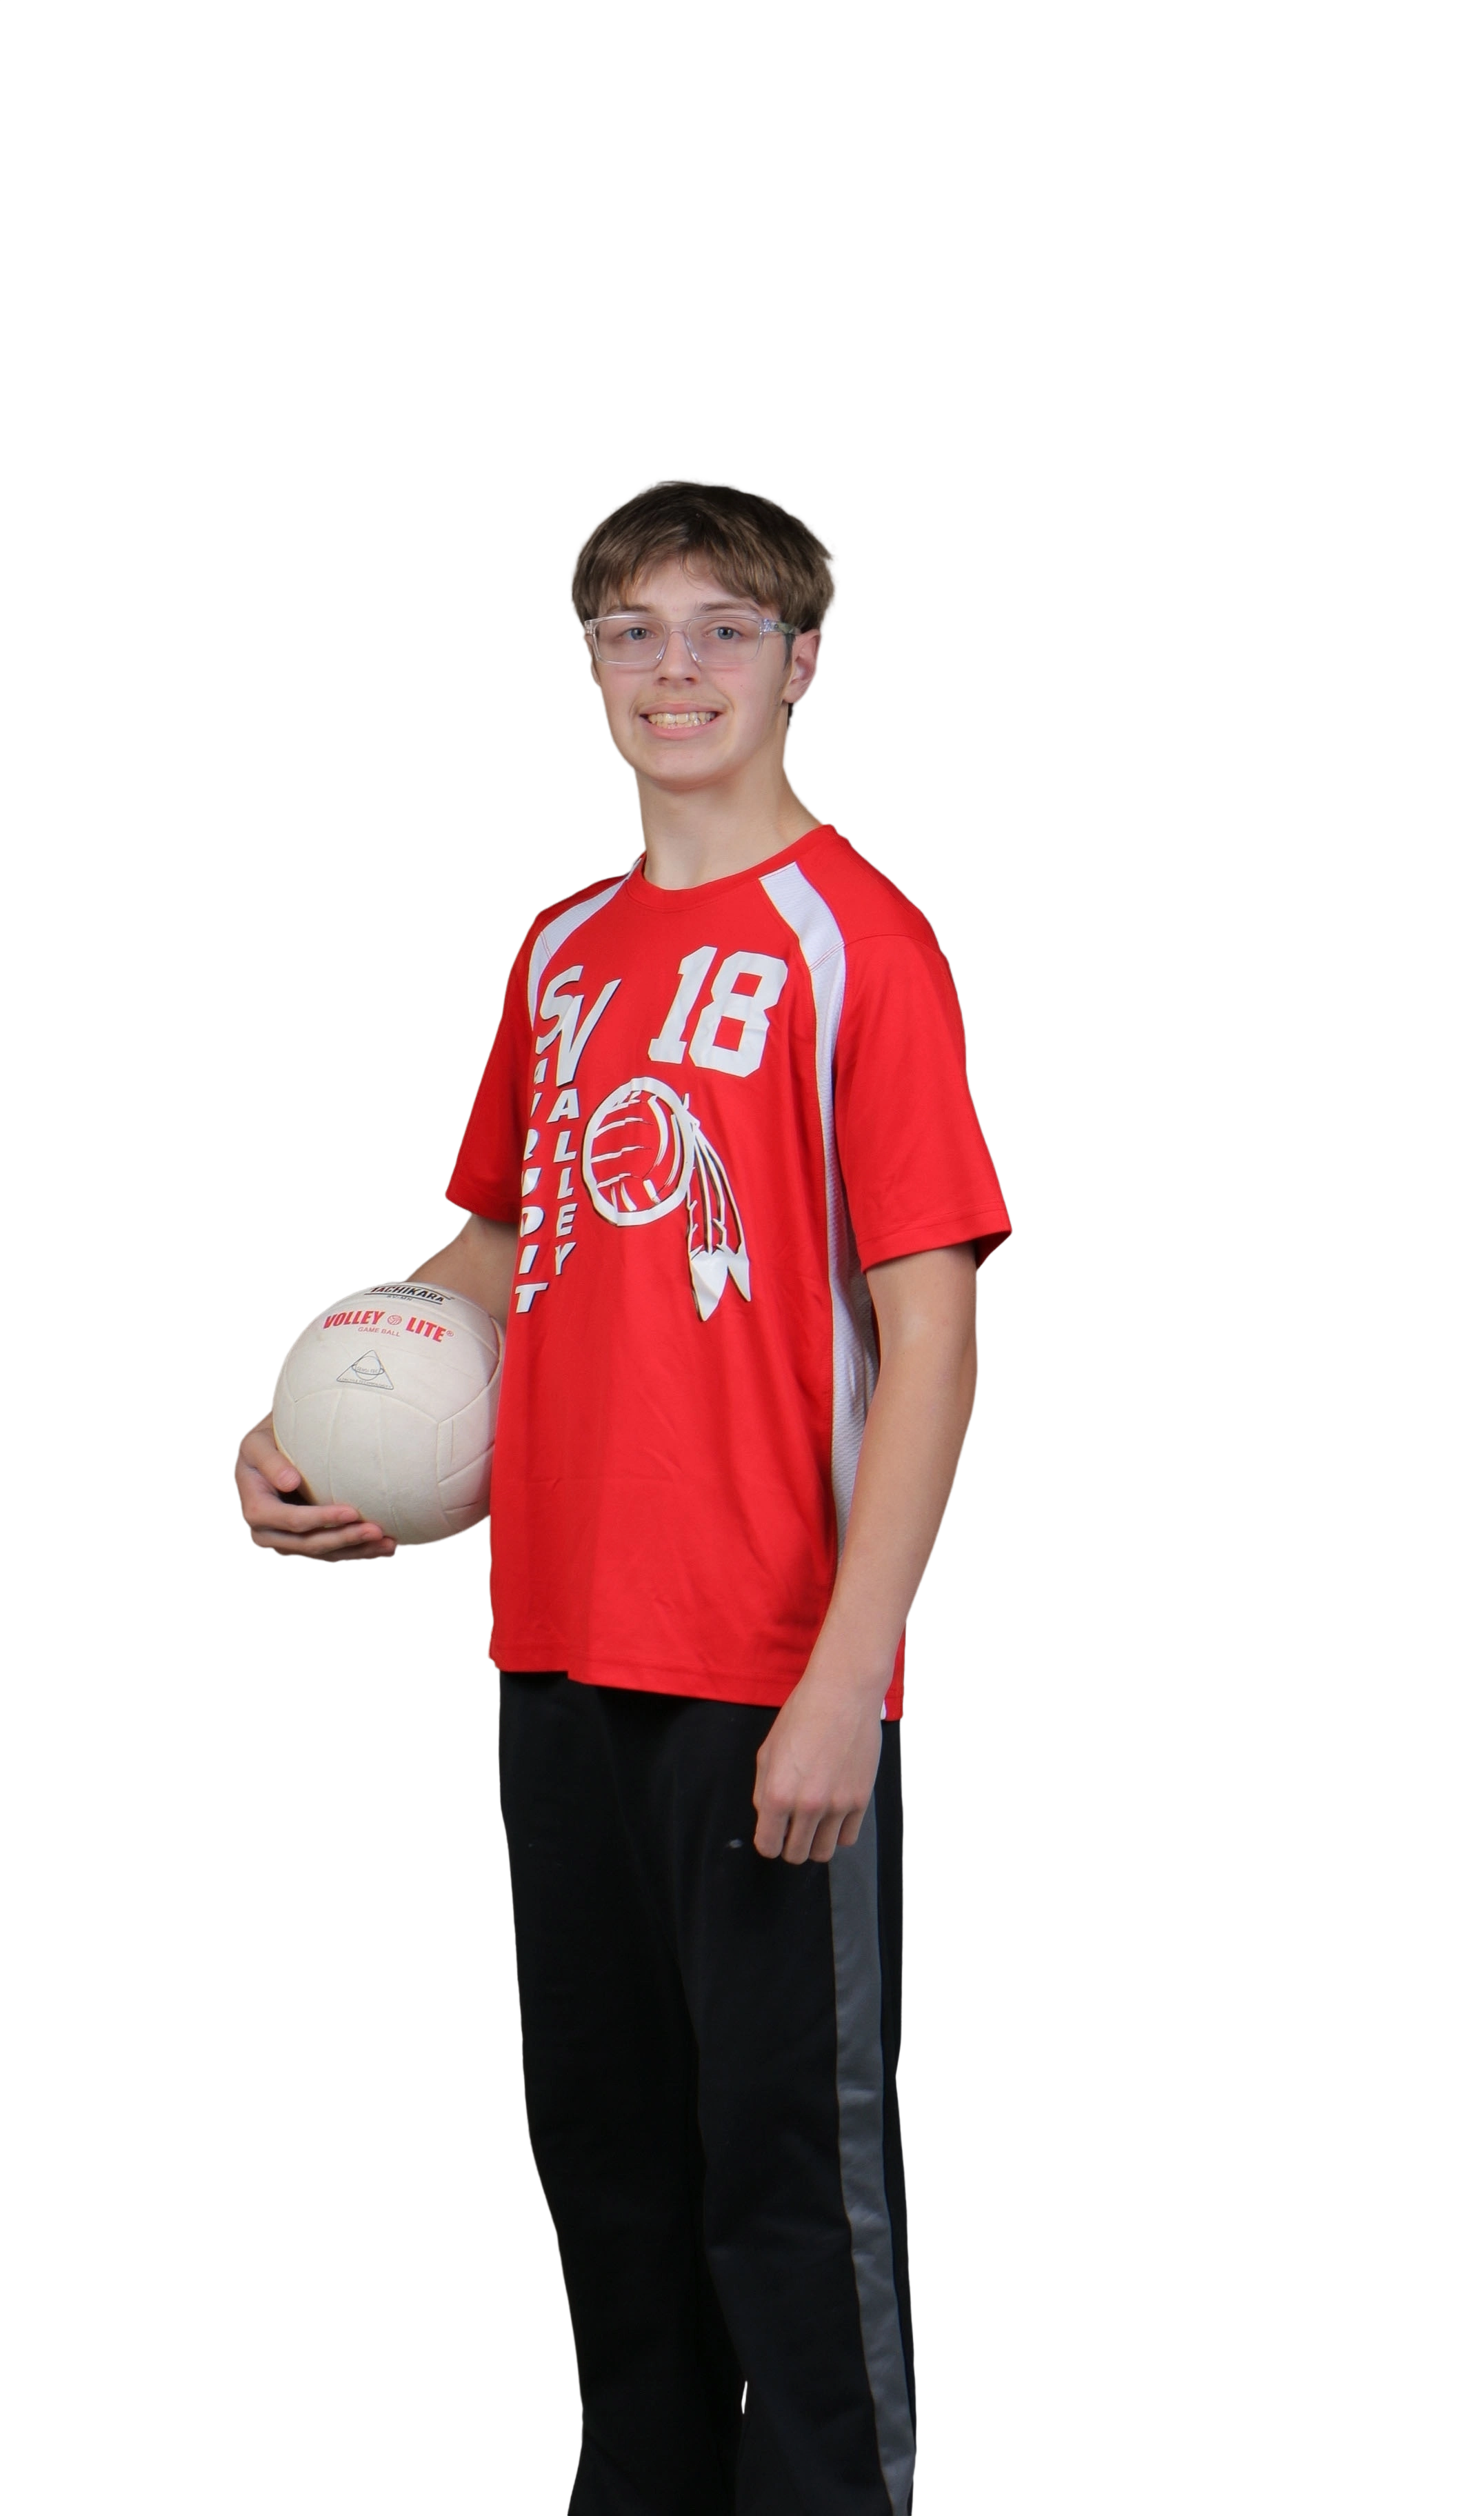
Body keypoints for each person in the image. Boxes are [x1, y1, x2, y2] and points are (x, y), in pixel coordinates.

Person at [232, 474, 1014, 2515]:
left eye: (725, 630)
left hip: (766, 1664)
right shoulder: (564, 951)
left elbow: (932, 1334)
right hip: (559, 1644)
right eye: (633, 634)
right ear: (588, 667)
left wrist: (849, 1677)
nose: (678, 672)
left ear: (803, 662)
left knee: (792, 2180)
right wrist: (327, 1411)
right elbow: (501, 1249)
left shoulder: (861, 943)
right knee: (608, 2163)